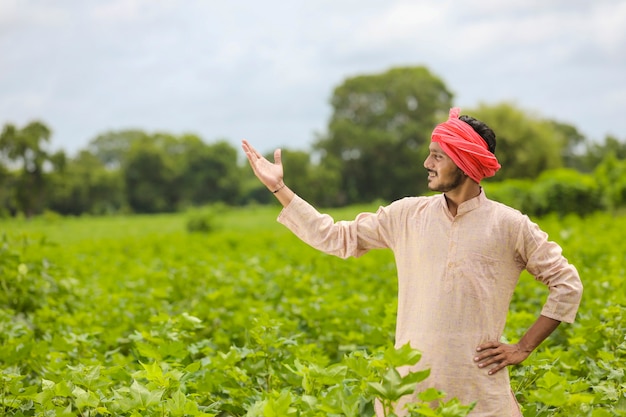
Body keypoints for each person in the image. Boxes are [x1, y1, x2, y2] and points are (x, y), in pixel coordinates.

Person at [241, 107, 583, 416]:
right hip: (406, 396)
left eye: (437, 156)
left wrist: (523, 347)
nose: (427, 164)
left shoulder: (510, 225)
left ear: (464, 162)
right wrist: (280, 189)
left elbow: (567, 284)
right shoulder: (406, 214)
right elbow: (335, 236)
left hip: (480, 397)